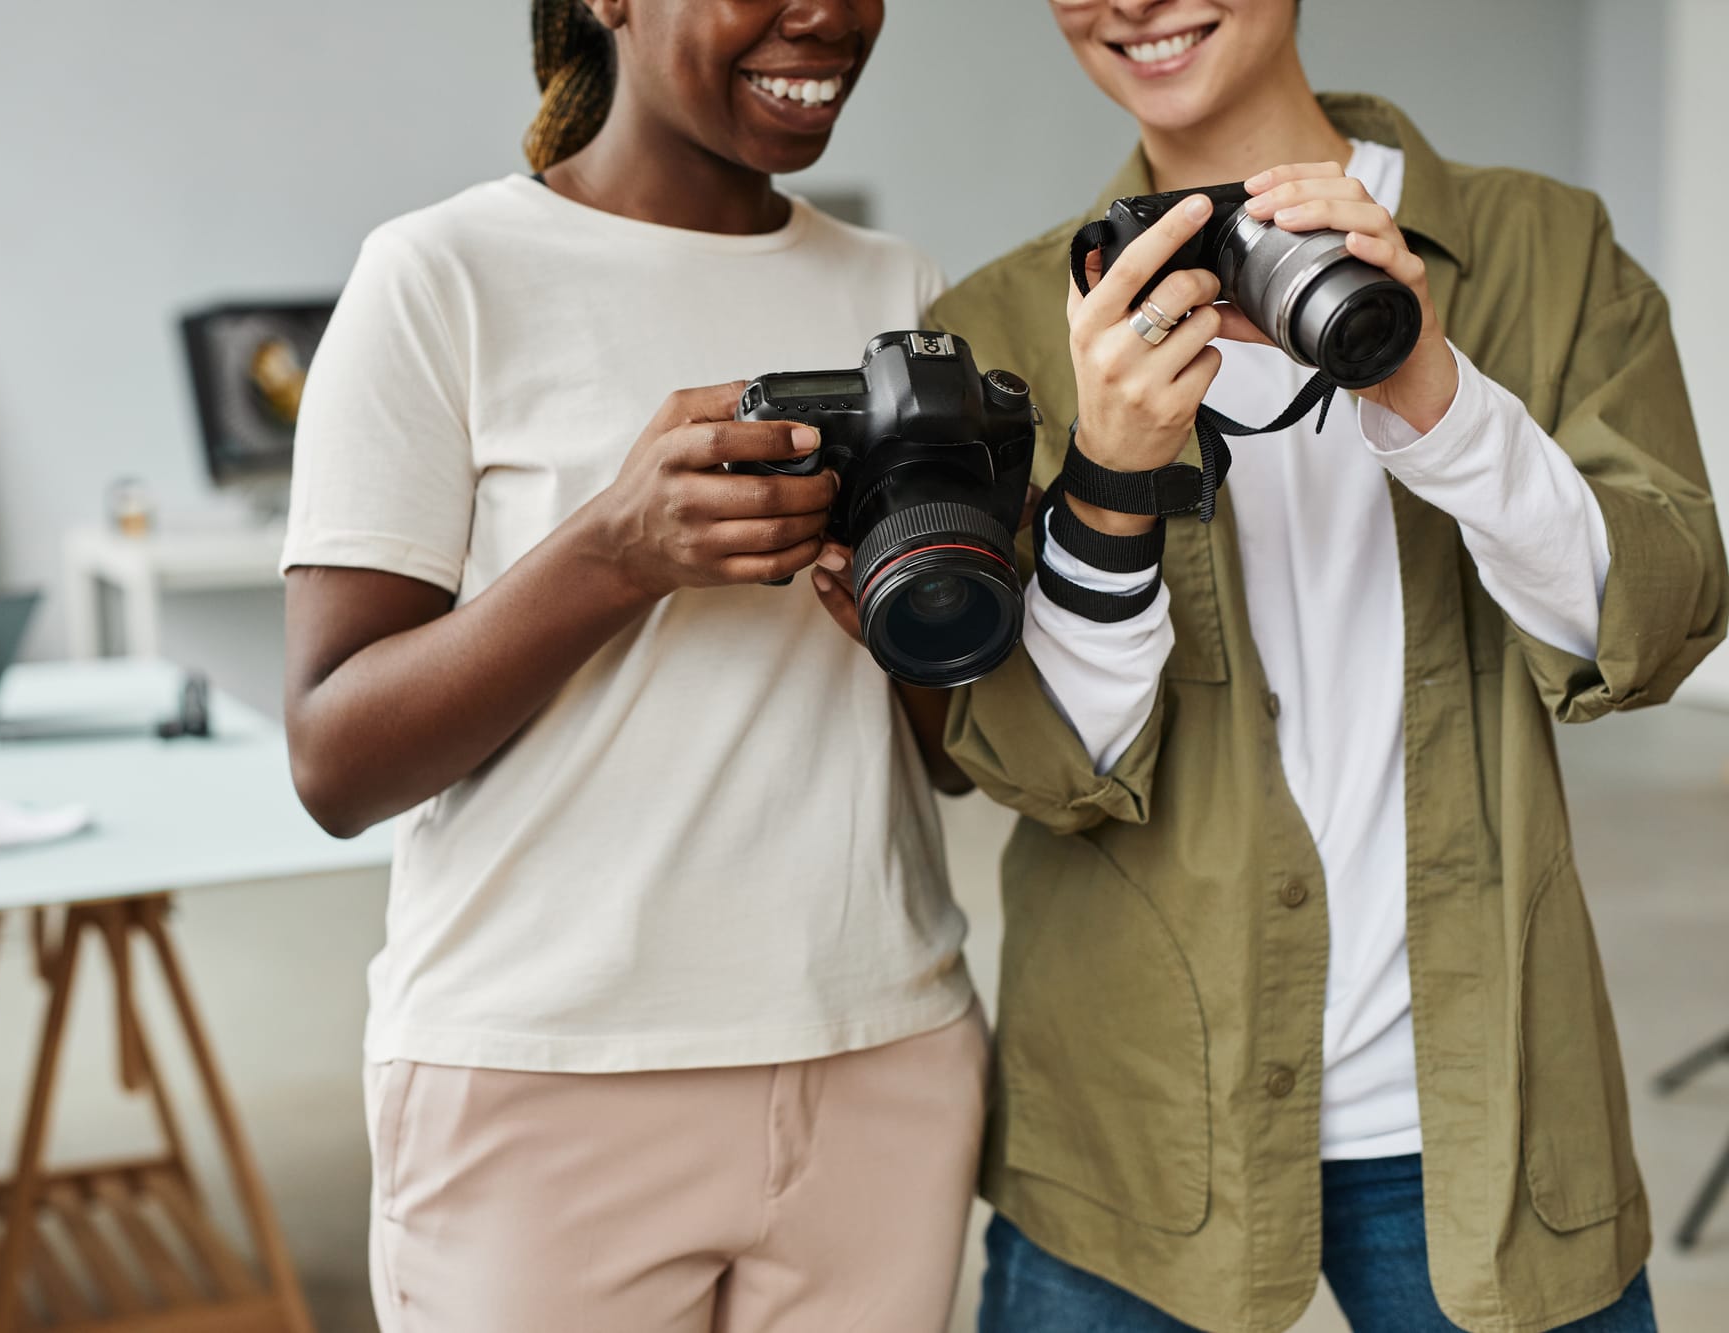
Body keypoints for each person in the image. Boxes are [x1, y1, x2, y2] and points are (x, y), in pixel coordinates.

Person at [928, 1, 1725, 1330]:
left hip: (1485, 1118)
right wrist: (1111, 482)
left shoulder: (1542, 247)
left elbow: (1652, 625)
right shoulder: (1007, 322)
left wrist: (1435, 395)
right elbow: (1045, 765)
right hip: (1135, 1124)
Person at [278, 2, 986, 1329]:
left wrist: (913, 614)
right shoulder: (441, 275)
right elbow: (334, 757)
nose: (825, 13)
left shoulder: (901, 288)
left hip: (881, 1056)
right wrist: (612, 551)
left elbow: (950, 760)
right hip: (546, 1080)